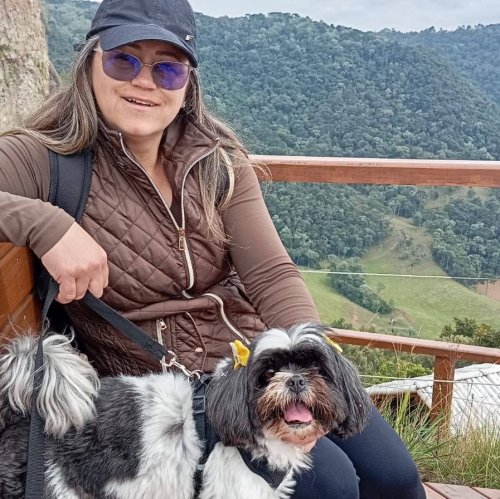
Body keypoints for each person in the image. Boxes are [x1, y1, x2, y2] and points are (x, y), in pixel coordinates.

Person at [0, 0, 425, 497]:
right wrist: (45, 223)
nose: (145, 82)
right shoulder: (44, 158)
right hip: (168, 399)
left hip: (259, 361)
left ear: (188, 82)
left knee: (394, 477)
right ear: (89, 62)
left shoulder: (215, 161)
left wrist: (311, 365)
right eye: (124, 60)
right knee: (331, 485)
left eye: (167, 69)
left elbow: (270, 274)